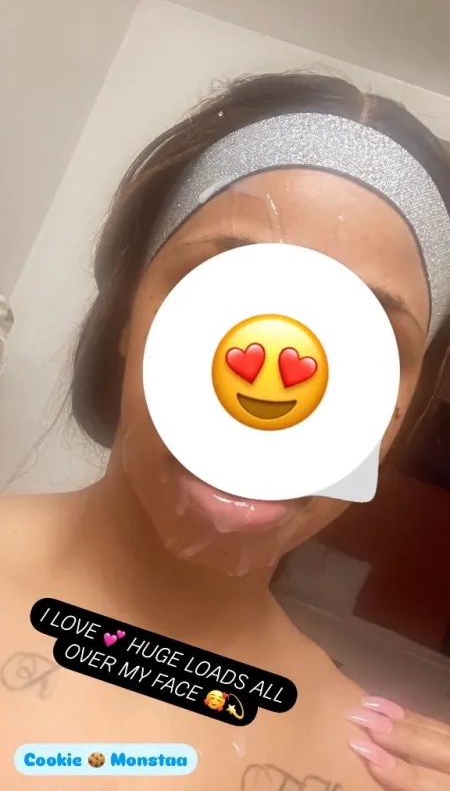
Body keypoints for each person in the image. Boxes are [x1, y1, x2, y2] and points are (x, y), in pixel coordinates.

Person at [1, 72, 450, 790]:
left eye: (366, 339)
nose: (276, 385)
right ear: (127, 318)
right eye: (223, 292)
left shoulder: (366, 770)